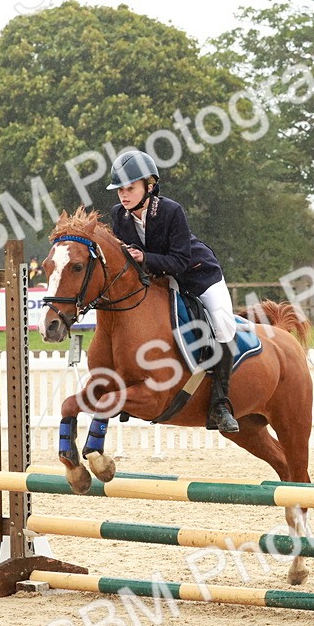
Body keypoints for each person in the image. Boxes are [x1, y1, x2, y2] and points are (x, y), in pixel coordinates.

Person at [106, 150, 240, 433]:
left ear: (149, 186)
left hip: (198, 275)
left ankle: (220, 404)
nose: (124, 195)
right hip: (160, 280)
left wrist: (144, 257)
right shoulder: (119, 215)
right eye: (120, 189)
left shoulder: (170, 211)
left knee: (224, 325)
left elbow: (179, 261)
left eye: (130, 188)